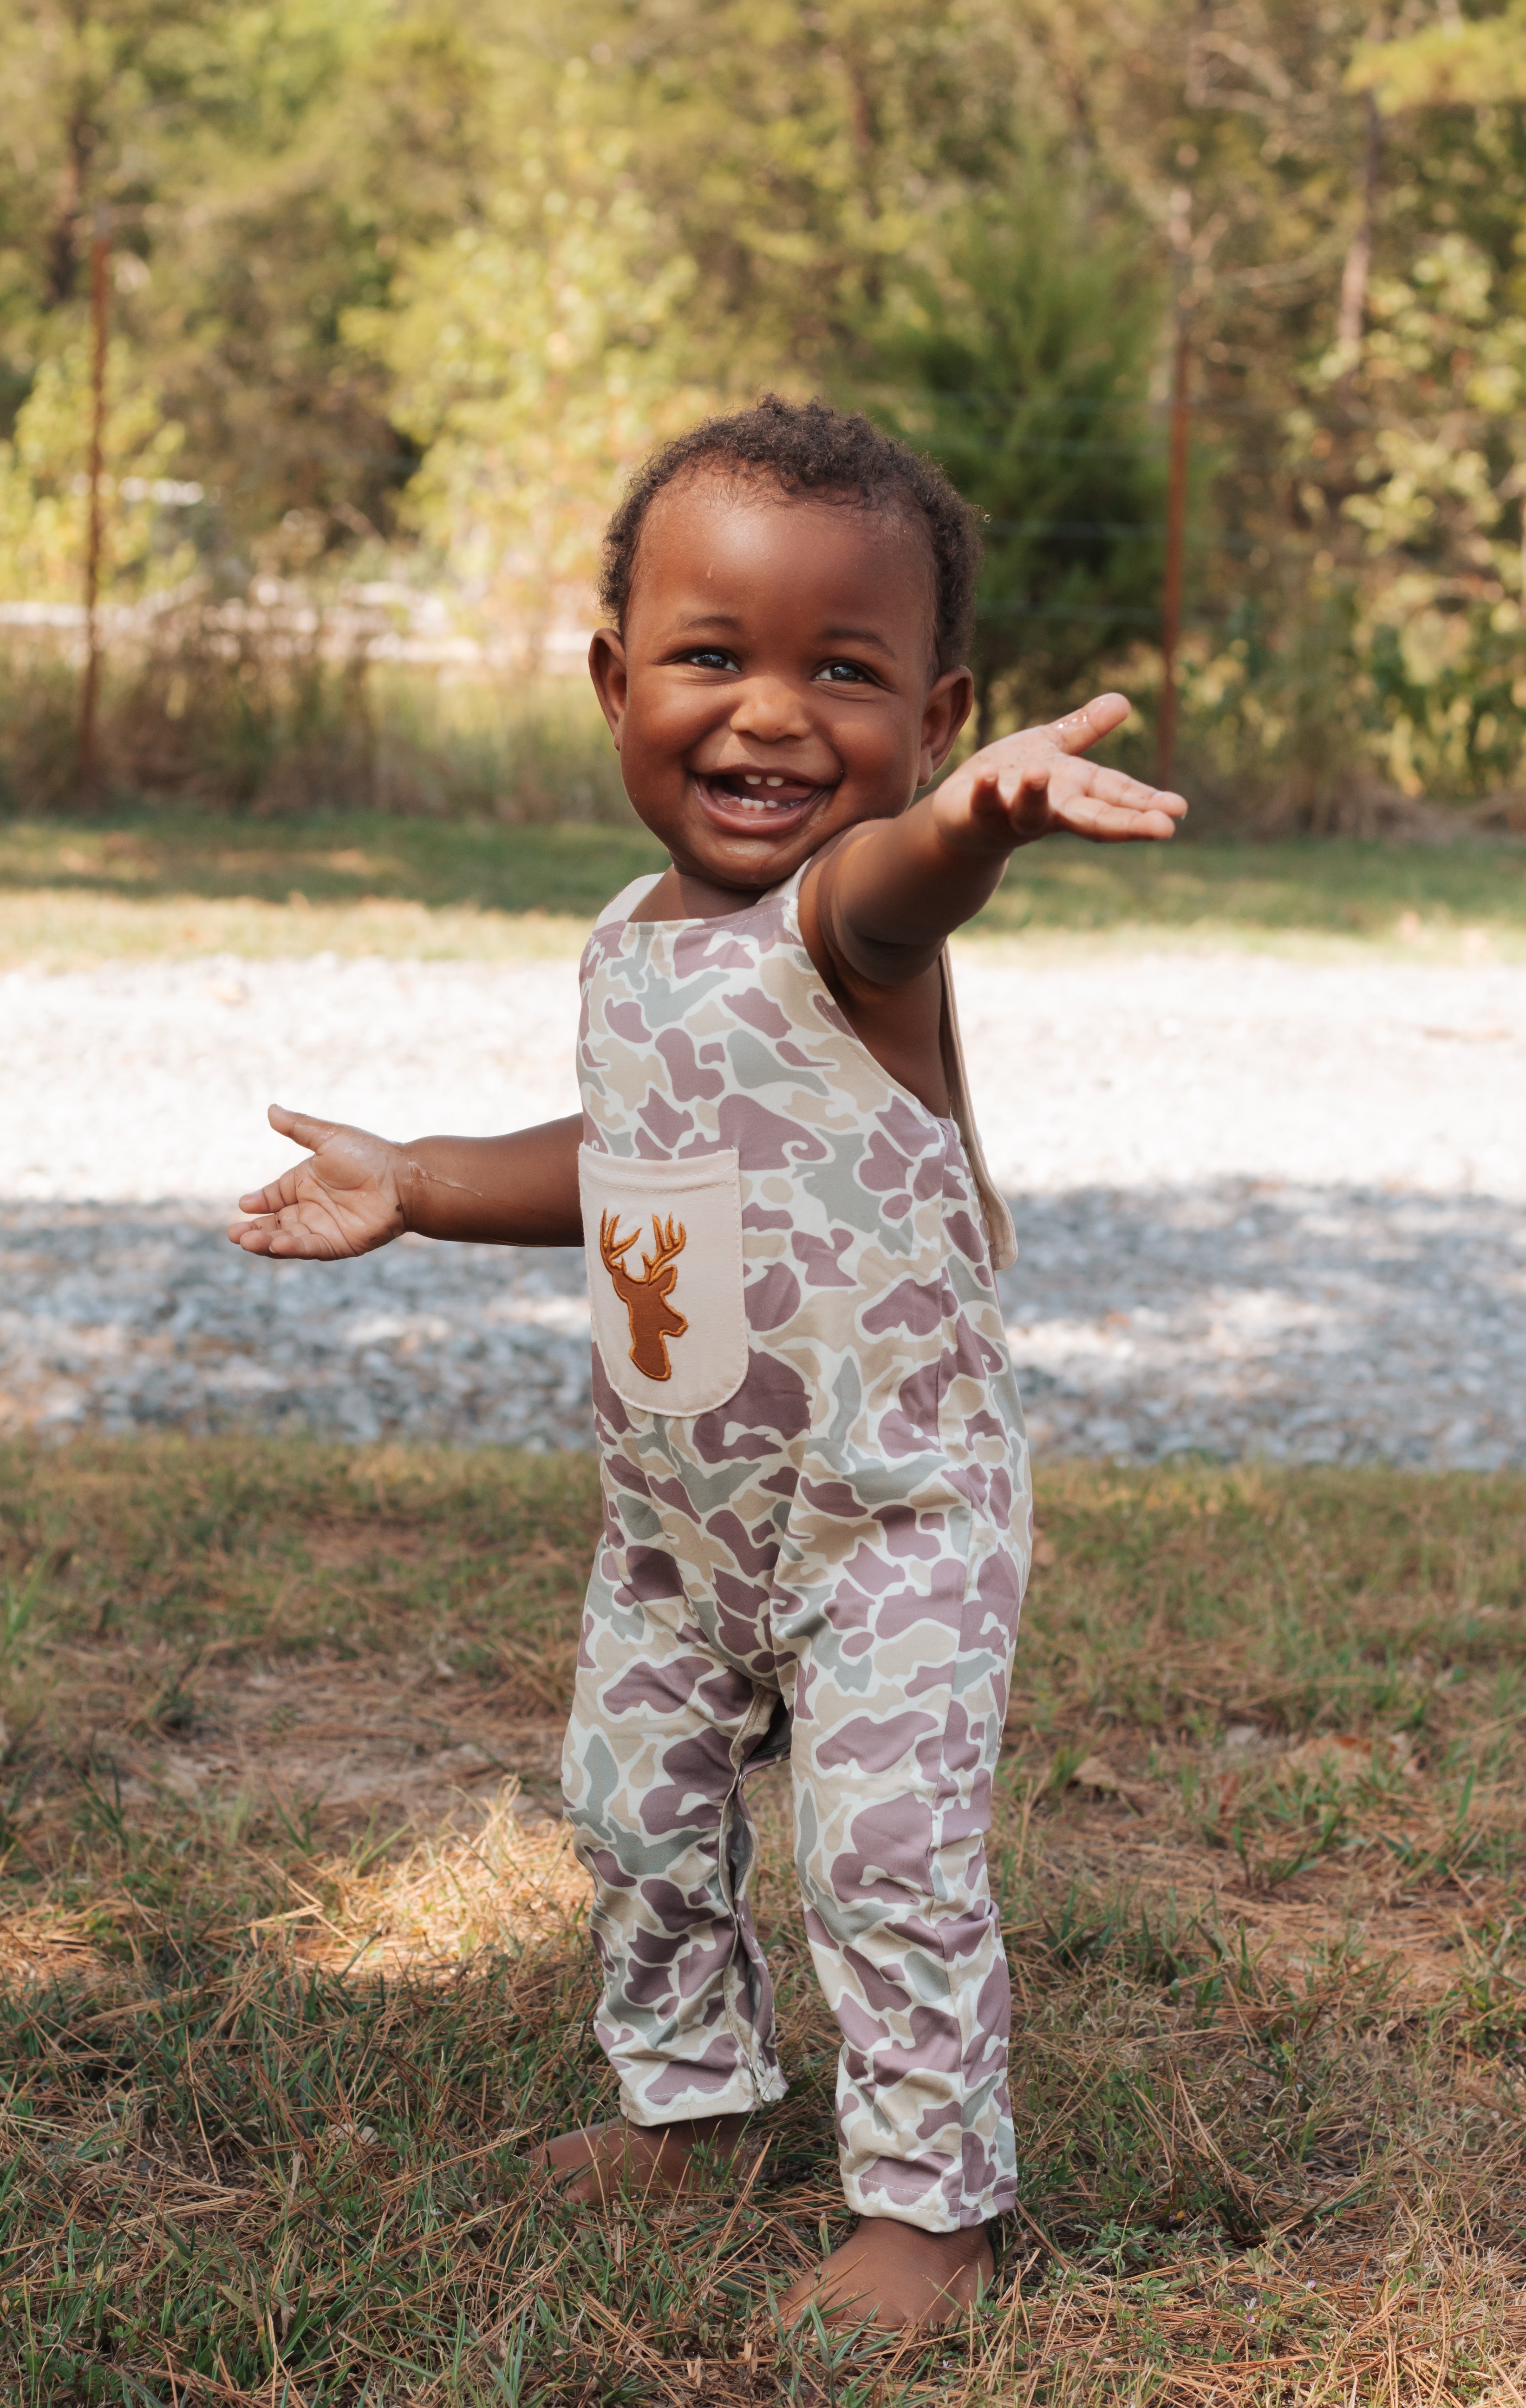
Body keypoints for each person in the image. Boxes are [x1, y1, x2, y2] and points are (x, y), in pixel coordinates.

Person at [228, 397, 1186, 2334]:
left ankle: (929, 2205)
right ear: (613, 681)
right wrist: (415, 1179)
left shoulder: (852, 930)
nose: (768, 715)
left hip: (888, 1509)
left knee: (884, 1846)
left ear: (934, 712)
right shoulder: (628, 944)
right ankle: (689, 2099)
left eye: (846, 672)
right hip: (681, 1510)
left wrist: (977, 822)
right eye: (709, 657)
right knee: (633, 1803)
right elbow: (634, 1160)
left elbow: (898, 879)